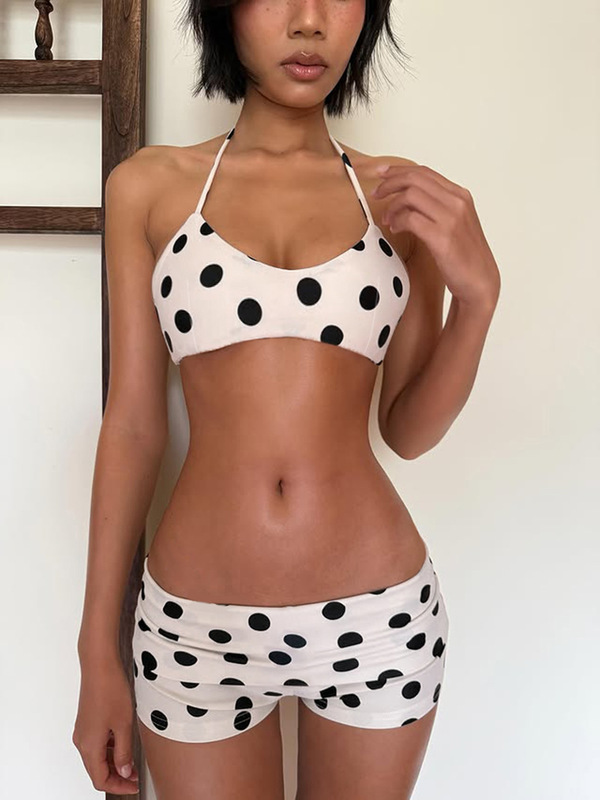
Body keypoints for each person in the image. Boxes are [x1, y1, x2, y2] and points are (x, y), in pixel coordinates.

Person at [73, 0, 501, 797]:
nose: (309, 22)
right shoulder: (148, 188)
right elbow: (132, 425)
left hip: (377, 623)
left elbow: (406, 431)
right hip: (193, 628)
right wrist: (97, 649)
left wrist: (477, 302)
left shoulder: (399, 200)